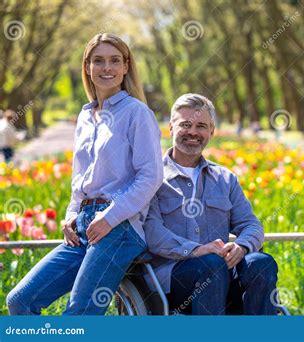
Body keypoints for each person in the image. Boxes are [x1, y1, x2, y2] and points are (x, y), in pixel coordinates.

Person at [6, 33, 163, 315]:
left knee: (77, 316)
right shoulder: (85, 116)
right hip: (82, 227)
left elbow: (150, 176)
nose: (107, 68)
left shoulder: (137, 113)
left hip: (120, 227)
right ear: (87, 67)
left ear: (126, 67)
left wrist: (110, 217)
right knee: (20, 301)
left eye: (115, 61)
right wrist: (69, 215)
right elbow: (80, 179)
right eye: (98, 61)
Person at [144, 93, 278, 315]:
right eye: (185, 124)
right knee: (210, 265)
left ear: (212, 131)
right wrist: (196, 250)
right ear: (170, 128)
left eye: (201, 126)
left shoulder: (225, 179)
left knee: (261, 262)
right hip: (173, 281)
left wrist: (241, 246)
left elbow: (251, 225)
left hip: (222, 274)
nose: (193, 132)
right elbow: (152, 232)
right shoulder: (152, 177)